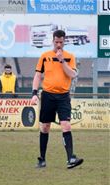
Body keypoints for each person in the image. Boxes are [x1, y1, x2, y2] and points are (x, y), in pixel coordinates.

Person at [31, 29, 84, 169]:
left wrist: (62, 61)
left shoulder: (70, 57)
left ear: (64, 41)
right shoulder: (45, 56)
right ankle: (42, 159)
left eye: (61, 42)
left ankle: (70, 159)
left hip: (63, 96)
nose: (58, 45)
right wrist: (34, 93)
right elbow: (37, 75)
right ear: (52, 41)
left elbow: (72, 74)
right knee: (45, 127)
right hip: (48, 95)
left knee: (66, 125)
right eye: (56, 42)